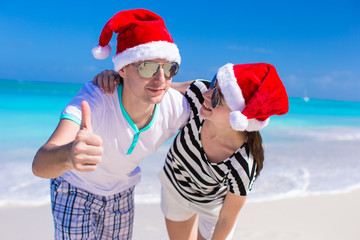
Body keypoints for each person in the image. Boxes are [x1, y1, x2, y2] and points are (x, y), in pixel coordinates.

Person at [32, 9, 190, 239]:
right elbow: (40, 164)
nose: (160, 79)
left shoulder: (176, 107)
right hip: (75, 189)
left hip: (122, 193)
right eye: (147, 67)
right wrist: (70, 155)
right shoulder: (95, 99)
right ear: (123, 69)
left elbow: (216, 92)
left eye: (169, 68)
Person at [93, 63, 289, 239]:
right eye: (214, 84)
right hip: (175, 190)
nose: (207, 94)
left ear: (238, 119)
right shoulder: (198, 94)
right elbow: (157, 89)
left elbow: (226, 220)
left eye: (218, 98)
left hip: (212, 207)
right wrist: (120, 78)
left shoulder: (242, 164)